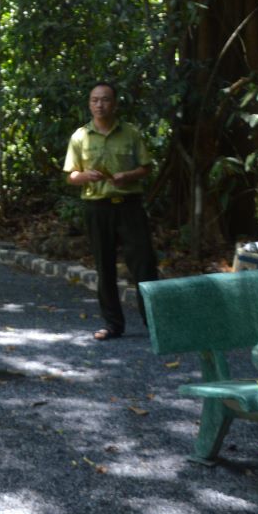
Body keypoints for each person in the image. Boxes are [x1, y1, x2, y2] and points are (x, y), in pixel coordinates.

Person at [63, 81, 159, 340]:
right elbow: (71, 176)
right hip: (98, 207)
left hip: (129, 206)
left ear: (114, 104)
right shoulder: (80, 136)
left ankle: (155, 324)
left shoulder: (131, 133)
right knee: (104, 266)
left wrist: (127, 176)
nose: (100, 105)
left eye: (105, 100)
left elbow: (147, 168)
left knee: (144, 264)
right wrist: (85, 176)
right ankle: (113, 324)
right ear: (89, 104)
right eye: (95, 100)